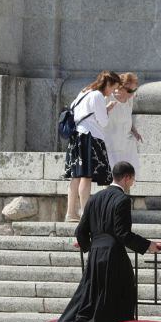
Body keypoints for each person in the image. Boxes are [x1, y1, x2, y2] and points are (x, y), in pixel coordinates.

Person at [50, 161, 160, 322]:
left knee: (95, 296)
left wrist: (90, 248)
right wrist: (147, 245)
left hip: (96, 255)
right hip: (114, 256)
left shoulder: (94, 198)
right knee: (119, 299)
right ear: (126, 177)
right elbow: (122, 233)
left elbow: (80, 231)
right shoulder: (122, 200)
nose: (132, 183)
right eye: (132, 179)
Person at [63, 71, 121, 222]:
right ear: (107, 84)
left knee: (76, 176)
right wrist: (107, 110)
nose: (111, 92)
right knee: (86, 177)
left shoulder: (84, 91)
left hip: (77, 137)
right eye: (112, 88)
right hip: (89, 137)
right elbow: (103, 122)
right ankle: (85, 214)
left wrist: (103, 109)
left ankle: (71, 213)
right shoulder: (97, 96)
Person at [104, 72, 143, 173]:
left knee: (128, 172)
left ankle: (125, 189)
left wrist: (135, 131)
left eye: (134, 90)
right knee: (112, 172)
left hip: (126, 143)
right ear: (121, 87)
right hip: (111, 142)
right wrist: (107, 109)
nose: (132, 93)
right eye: (129, 90)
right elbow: (98, 116)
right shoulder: (108, 98)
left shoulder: (130, 100)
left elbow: (128, 117)